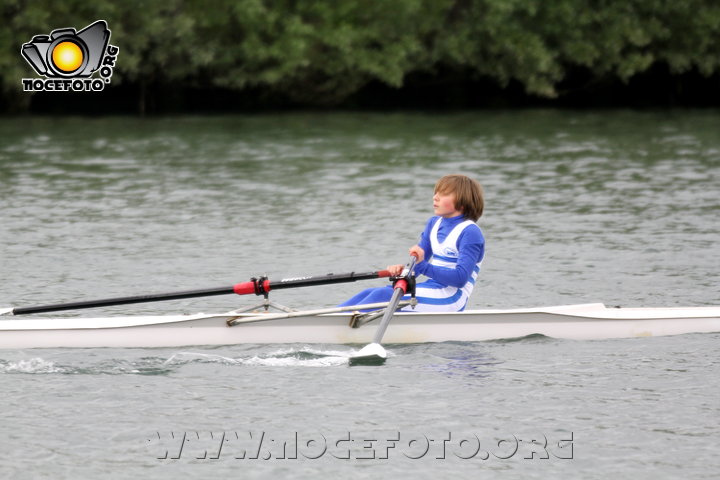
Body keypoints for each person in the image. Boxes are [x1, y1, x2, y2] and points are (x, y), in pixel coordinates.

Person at [339, 174, 485, 312]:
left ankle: (338, 326)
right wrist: (402, 271)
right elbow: (418, 267)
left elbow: (460, 279)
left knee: (382, 296)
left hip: (452, 297)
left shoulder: (470, 232)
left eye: (444, 194)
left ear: (463, 204)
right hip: (431, 287)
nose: (435, 197)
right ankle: (326, 320)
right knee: (369, 293)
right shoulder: (434, 223)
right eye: (436, 192)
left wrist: (422, 265)